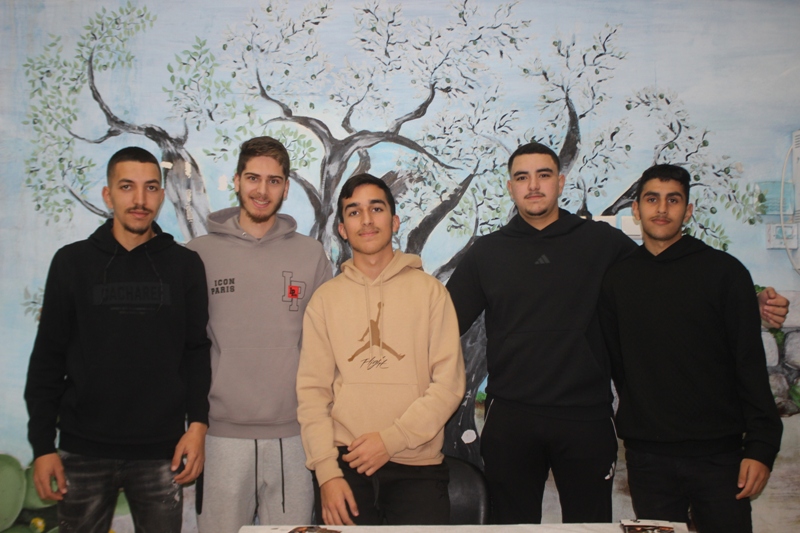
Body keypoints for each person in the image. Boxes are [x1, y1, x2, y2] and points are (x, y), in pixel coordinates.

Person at [445, 142, 788, 524]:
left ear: (560, 182)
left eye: (544, 175)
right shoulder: (487, 252)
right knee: (511, 528)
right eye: (522, 177)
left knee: (591, 527)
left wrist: (751, 301)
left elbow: (665, 273)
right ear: (511, 187)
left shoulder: (601, 241)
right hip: (511, 418)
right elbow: (441, 320)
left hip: (586, 418)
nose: (534, 185)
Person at [24, 146, 211, 532]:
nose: (140, 199)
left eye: (150, 187)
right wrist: (42, 446)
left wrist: (197, 426)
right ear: (108, 195)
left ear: (162, 195)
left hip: (161, 453)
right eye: (127, 187)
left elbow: (196, 352)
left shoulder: (184, 265)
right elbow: (47, 359)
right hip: (81, 451)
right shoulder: (71, 263)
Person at [598, 164, 783, 532]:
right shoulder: (617, 280)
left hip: (720, 457)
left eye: (673, 200)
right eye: (652, 199)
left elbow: (748, 365)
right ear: (636, 209)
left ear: (688, 210)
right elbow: (618, 364)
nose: (661, 209)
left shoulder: (725, 273)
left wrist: (760, 449)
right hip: (648, 459)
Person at [297, 174, 466, 526]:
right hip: (346, 469)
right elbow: (313, 394)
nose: (367, 220)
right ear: (342, 229)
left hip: (417, 468)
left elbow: (448, 386)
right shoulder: (325, 301)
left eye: (376, 209)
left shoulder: (431, 293)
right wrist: (326, 473)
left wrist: (391, 440)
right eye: (354, 212)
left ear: (395, 220)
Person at [186, 136, 331, 531]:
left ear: (286, 187)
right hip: (220, 436)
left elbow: (325, 348)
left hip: (294, 437)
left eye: (273, 180)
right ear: (236, 181)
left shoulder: (311, 255)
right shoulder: (197, 254)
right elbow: (187, 346)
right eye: (253, 178)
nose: (262, 190)